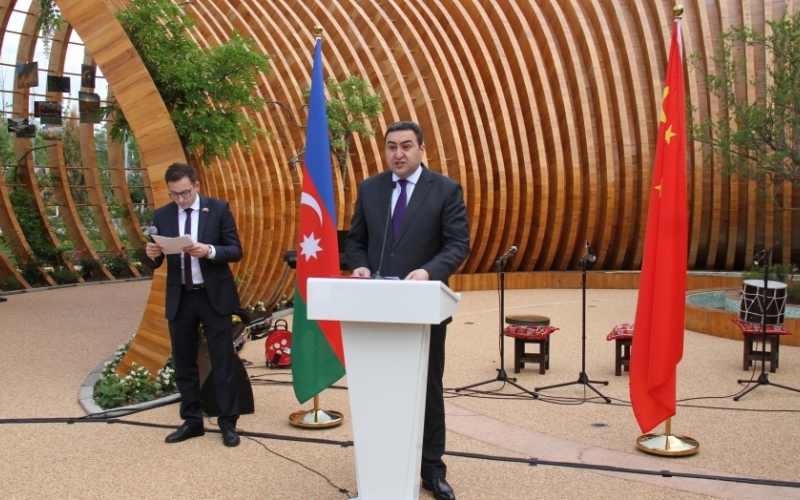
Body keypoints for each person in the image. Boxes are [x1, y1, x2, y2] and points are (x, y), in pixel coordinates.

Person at [345, 121, 470, 500]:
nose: (398, 153)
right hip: (377, 309)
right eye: (391, 147)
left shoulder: (446, 190)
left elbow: (457, 244)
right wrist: (360, 264)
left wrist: (429, 271)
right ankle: (384, 463)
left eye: (406, 146)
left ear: (421, 149)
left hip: (423, 307)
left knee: (427, 390)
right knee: (379, 391)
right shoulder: (370, 189)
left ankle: (432, 470)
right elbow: (355, 240)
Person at [144, 162, 243, 447]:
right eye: (174, 194)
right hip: (182, 296)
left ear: (196, 186)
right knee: (184, 362)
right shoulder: (162, 215)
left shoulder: (219, 209)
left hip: (213, 296)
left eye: (185, 193)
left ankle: (228, 422)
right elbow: (155, 261)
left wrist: (209, 251)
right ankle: (191, 421)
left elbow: (235, 250)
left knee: (222, 360)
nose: (180, 199)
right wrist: (151, 253)